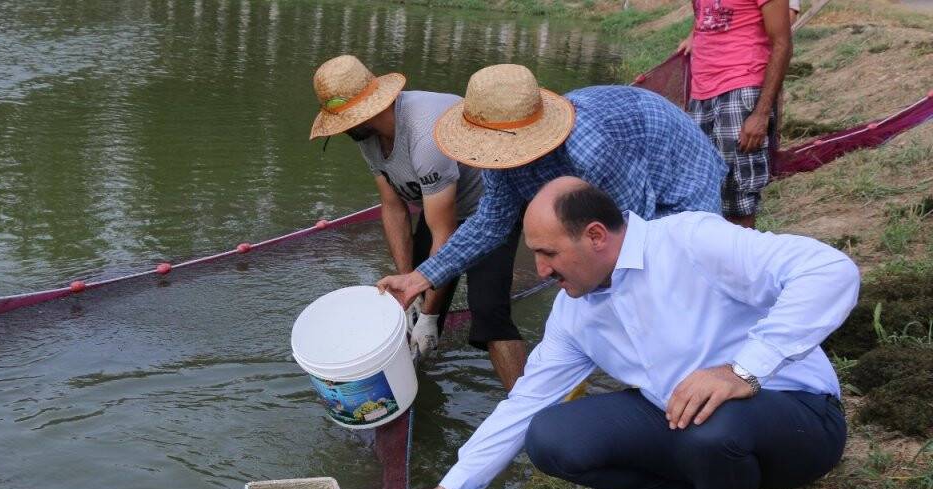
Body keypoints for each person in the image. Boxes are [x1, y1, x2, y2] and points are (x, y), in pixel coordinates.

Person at [384, 177, 858, 489]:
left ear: (595, 237)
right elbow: (523, 404)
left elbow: (829, 271)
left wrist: (742, 370)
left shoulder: (690, 241)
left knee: (715, 424)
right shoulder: (574, 311)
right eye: (536, 255)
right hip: (687, 421)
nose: (542, 271)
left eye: (549, 254)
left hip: (798, 417)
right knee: (551, 437)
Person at [376, 64, 728, 310]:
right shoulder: (498, 158)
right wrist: (421, 277)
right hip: (630, 165)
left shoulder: (589, 149)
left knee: (677, 272)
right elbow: (489, 224)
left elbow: (635, 231)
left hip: (676, 166)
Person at [309, 55, 527, 390]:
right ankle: (415, 384)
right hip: (438, 207)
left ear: (370, 107)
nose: (342, 129)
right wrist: (409, 285)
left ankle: (528, 406)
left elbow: (445, 230)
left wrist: (428, 315)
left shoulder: (424, 134)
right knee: (414, 300)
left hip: (490, 210)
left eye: (346, 120)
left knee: (488, 312)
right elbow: (393, 207)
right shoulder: (366, 136)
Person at [678, 0, 793, 227]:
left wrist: (761, 114)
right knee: (698, 195)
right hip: (700, 93)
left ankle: (741, 261)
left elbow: (783, 43)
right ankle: (714, 260)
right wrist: (693, 35)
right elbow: (704, 15)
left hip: (741, 90)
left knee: (738, 200)